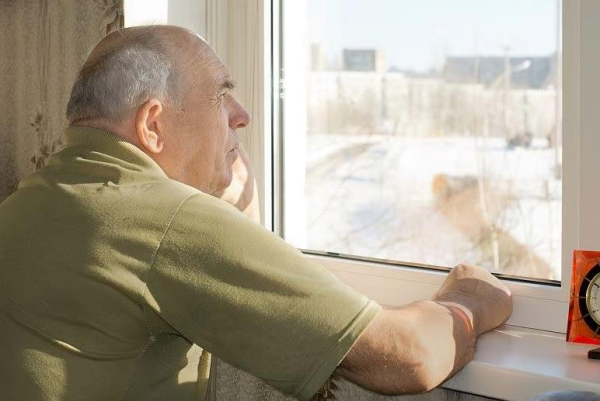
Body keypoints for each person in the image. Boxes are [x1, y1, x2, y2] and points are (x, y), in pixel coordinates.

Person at [0, 26, 512, 400]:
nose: (241, 115)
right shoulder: (163, 221)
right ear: (153, 124)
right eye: (221, 94)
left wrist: (234, 215)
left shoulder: (31, 201)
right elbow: (407, 356)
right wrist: (468, 302)